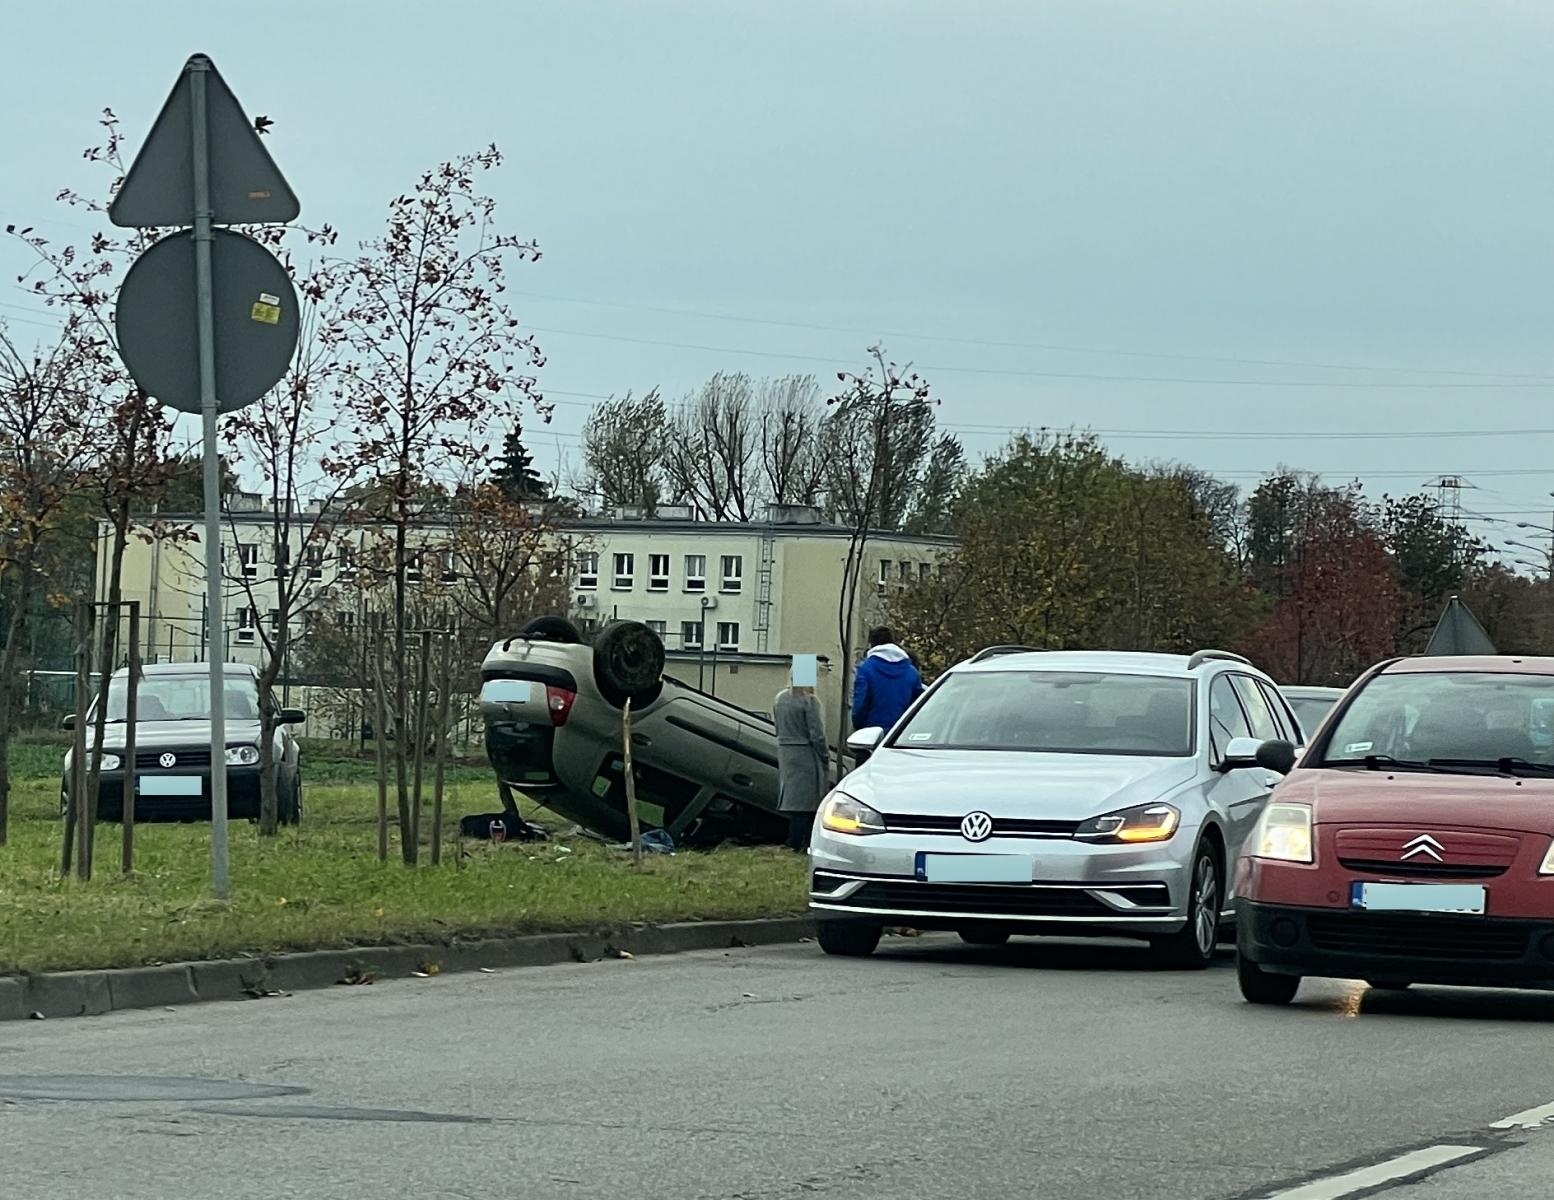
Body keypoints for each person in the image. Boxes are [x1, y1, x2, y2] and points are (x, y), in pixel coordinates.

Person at [850, 627, 925, 762]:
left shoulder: (866, 669)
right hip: (901, 739)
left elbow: (860, 705)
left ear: (871, 644)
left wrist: (858, 727)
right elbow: (919, 707)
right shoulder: (911, 672)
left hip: (871, 739)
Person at [774, 676, 829, 852]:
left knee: (793, 798)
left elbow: (777, 726)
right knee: (808, 801)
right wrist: (824, 754)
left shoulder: (779, 698)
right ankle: (800, 841)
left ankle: (793, 840)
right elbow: (816, 733)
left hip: (786, 752)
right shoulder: (810, 701)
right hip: (806, 752)